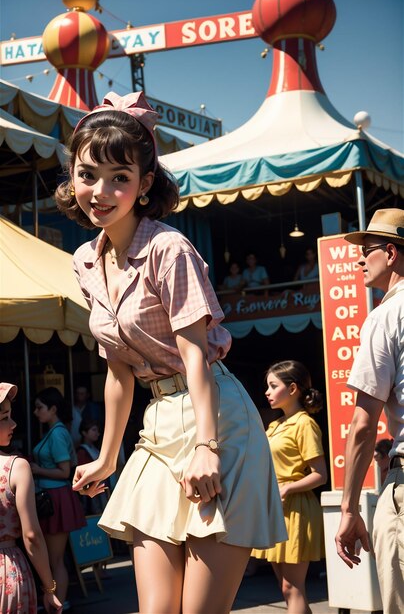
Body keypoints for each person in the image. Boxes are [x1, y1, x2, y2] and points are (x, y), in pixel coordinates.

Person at [54, 90, 287, 614]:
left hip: (216, 418)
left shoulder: (168, 247)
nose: (101, 191)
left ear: (145, 184)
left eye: (120, 177)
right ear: (72, 174)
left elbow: (197, 356)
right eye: (89, 174)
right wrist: (108, 458)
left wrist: (208, 446)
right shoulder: (85, 262)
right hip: (157, 427)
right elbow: (117, 372)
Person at [335, 208, 404, 614]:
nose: (359, 259)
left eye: (368, 250)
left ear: (391, 254)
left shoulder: (385, 315)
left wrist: (348, 509)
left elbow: (363, 424)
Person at [251, 360, 327, 614]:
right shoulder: (274, 426)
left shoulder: (305, 424)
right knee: (287, 588)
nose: (267, 392)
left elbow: (320, 475)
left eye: (273, 386)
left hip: (296, 509)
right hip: (276, 508)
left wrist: (287, 488)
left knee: (292, 587)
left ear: (292, 388)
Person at [0, 382, 62, 614]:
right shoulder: (16, 467)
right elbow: (31, 535)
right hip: (7, 572)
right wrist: (49, 587)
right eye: (5, 417)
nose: (13, 424)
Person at [31, 387, 86, 609]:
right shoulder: (55, 431)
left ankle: (58, 604)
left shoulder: (57, 433)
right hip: (52, 498)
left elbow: (65, 471)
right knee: (53, 559)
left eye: (39, 407)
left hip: (55, 498)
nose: (36, 412)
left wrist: (36, 469)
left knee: (55, 560)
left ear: (53, 409)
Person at [76, 419, 109, 515]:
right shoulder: (82, 451)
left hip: (101, 486)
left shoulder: (95, 449)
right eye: (94, 430)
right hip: (91, 489)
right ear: (84, 433)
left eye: (98, 431)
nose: (97, 433)